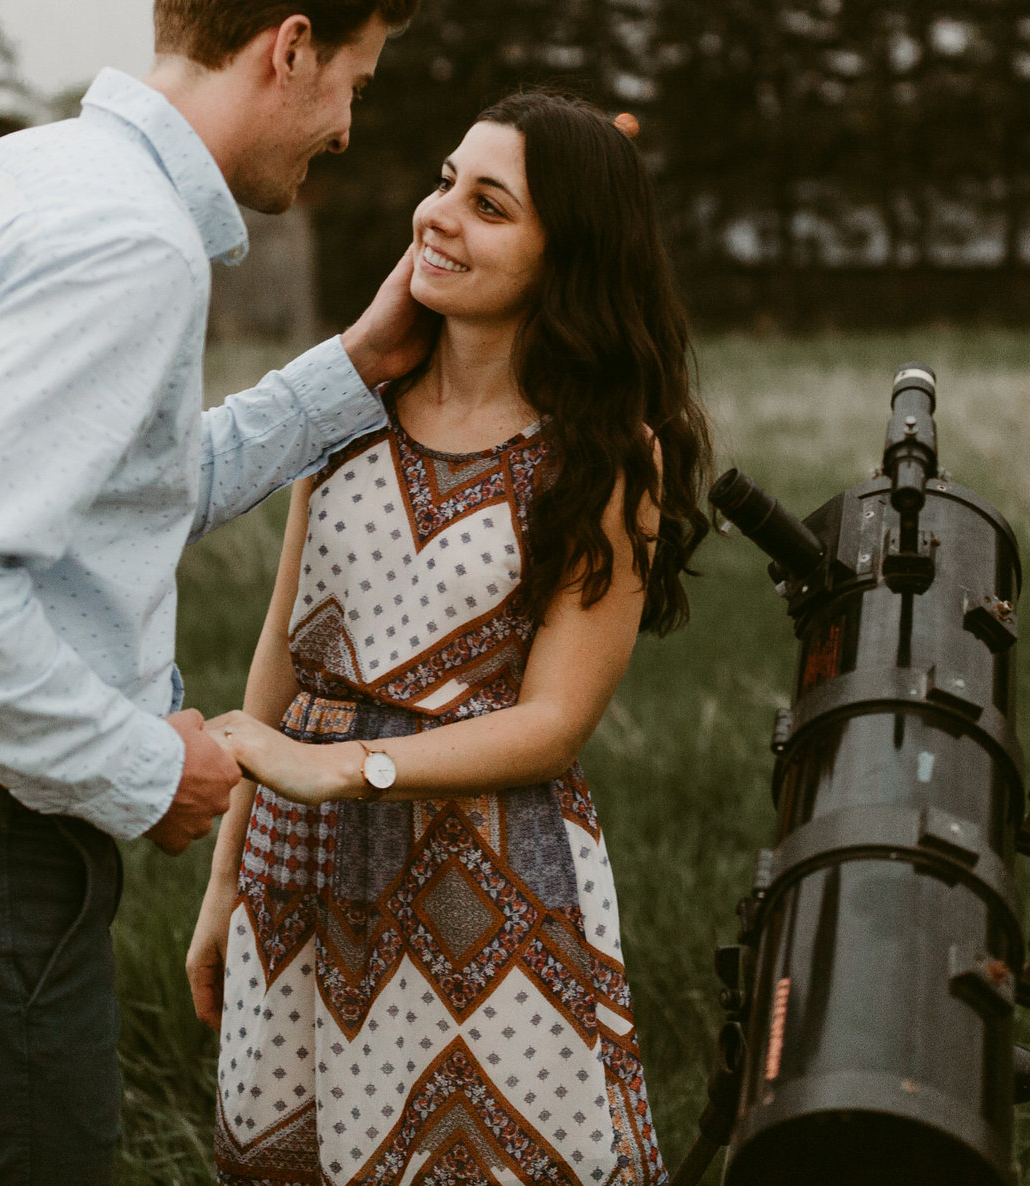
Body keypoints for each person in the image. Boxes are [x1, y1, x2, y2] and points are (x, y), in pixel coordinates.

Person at [0, 0, 429, 1185]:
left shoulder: (30, 176)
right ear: (286, 47)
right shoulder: (126, 244)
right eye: (350, 79)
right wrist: (146, 768)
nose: (348, 127)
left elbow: (119, 492)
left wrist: (350, 369)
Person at [189, 89, 714, 1186]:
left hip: (482, 884)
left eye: (488, 204)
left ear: (564, 251)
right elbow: (285, 655)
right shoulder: (351, 407)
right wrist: (225, 883)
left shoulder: (606, 454)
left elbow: (553, 724)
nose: (438, 216)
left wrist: (345, 768)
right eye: (442, 183)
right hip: (298, 867)